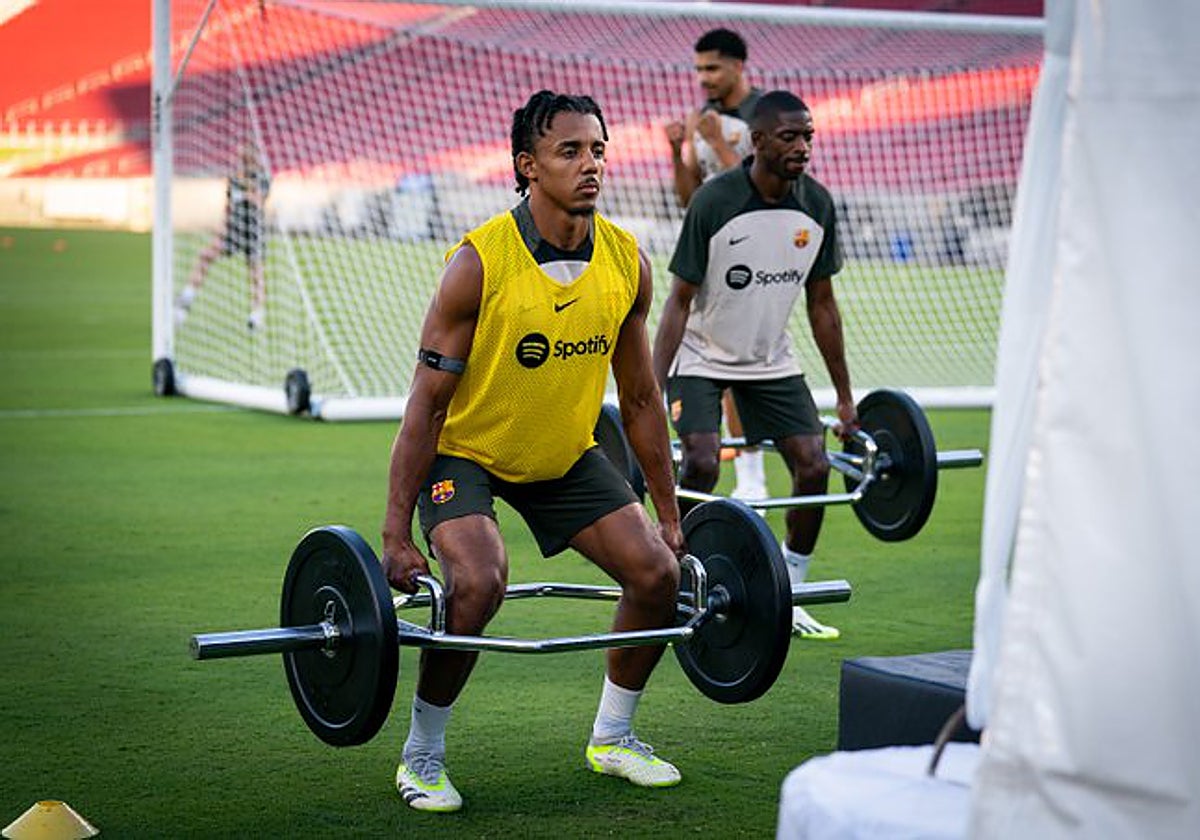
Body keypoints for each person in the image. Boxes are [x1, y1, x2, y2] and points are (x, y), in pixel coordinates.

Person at [381, 90, 685, 813]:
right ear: (528, 165)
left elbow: (640, 401)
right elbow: (425, 404)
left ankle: (613, 738)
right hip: (467, 452)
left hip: (562, 455)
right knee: (480, 583)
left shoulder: (625, 261)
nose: (591, 165)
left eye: (599, 150)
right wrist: (395, 533)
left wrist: (670, 512)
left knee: (657, 575)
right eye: (570, 151)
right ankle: (422, 756)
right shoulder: (479, 265)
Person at [653, 90, 858, 642]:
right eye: (790, 136)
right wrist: (650, 389)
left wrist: (844, 396)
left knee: (815, 465)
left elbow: (822, 303)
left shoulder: (816, 205)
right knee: (700, 463)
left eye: (808, 135)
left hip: (770, 360)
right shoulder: (715, 201)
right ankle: (679, 585)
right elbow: (677, 301)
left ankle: (787, 593)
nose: (803, 146)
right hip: (702, 352)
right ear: (758, 141)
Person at [664, 27, 767, 503]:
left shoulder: (766, 114)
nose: (702, 77)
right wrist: (678, 148)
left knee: (742, 361)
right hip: (708, 252)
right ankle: (723, 461)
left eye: (712, 68)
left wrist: (718, 144)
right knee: (714, 359)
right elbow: (691, 197)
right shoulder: (704, 116)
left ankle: (751, 477)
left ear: (739, 66)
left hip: (755, 251)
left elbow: (757, 192)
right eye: (698, 68)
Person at [176, 140, 270, 330]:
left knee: (255, 273)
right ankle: (187, 297)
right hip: (234, 230)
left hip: (253, 230)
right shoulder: (233, 179)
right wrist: (223, 228)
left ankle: (257, 313)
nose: (242, 160)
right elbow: (227, 207)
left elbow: (260, 201)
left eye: (245, 157)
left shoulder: (263, 179)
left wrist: (247, 189)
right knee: (205, 256)